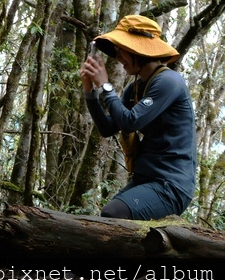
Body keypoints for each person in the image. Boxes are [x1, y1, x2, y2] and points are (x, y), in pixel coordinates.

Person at [79, 14, 196, 220]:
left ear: (137, 49)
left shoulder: (169, 81)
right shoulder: (134, 89)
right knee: (106, 219)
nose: (118, 57)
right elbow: (108, 128)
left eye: (121, 50)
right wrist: (90, 92)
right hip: (146, 180)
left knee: (112, 214)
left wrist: (105, 86)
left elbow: (131, 121)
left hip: (171, 186)